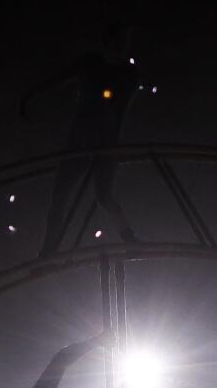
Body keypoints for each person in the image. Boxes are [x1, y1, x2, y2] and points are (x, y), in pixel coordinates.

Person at [20, 22, 143, 255]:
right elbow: (57, 79)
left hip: (103, 142)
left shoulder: (127, 75)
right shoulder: (90, 64)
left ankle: (129, 237)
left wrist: (111, 147)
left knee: (103, 195)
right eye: (115, 45)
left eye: (122, 46)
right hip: (81, 141)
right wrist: (31, 95)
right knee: (61, 195)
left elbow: (120, 112)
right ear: (105, 44)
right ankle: (48, 249)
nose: (118, 51)